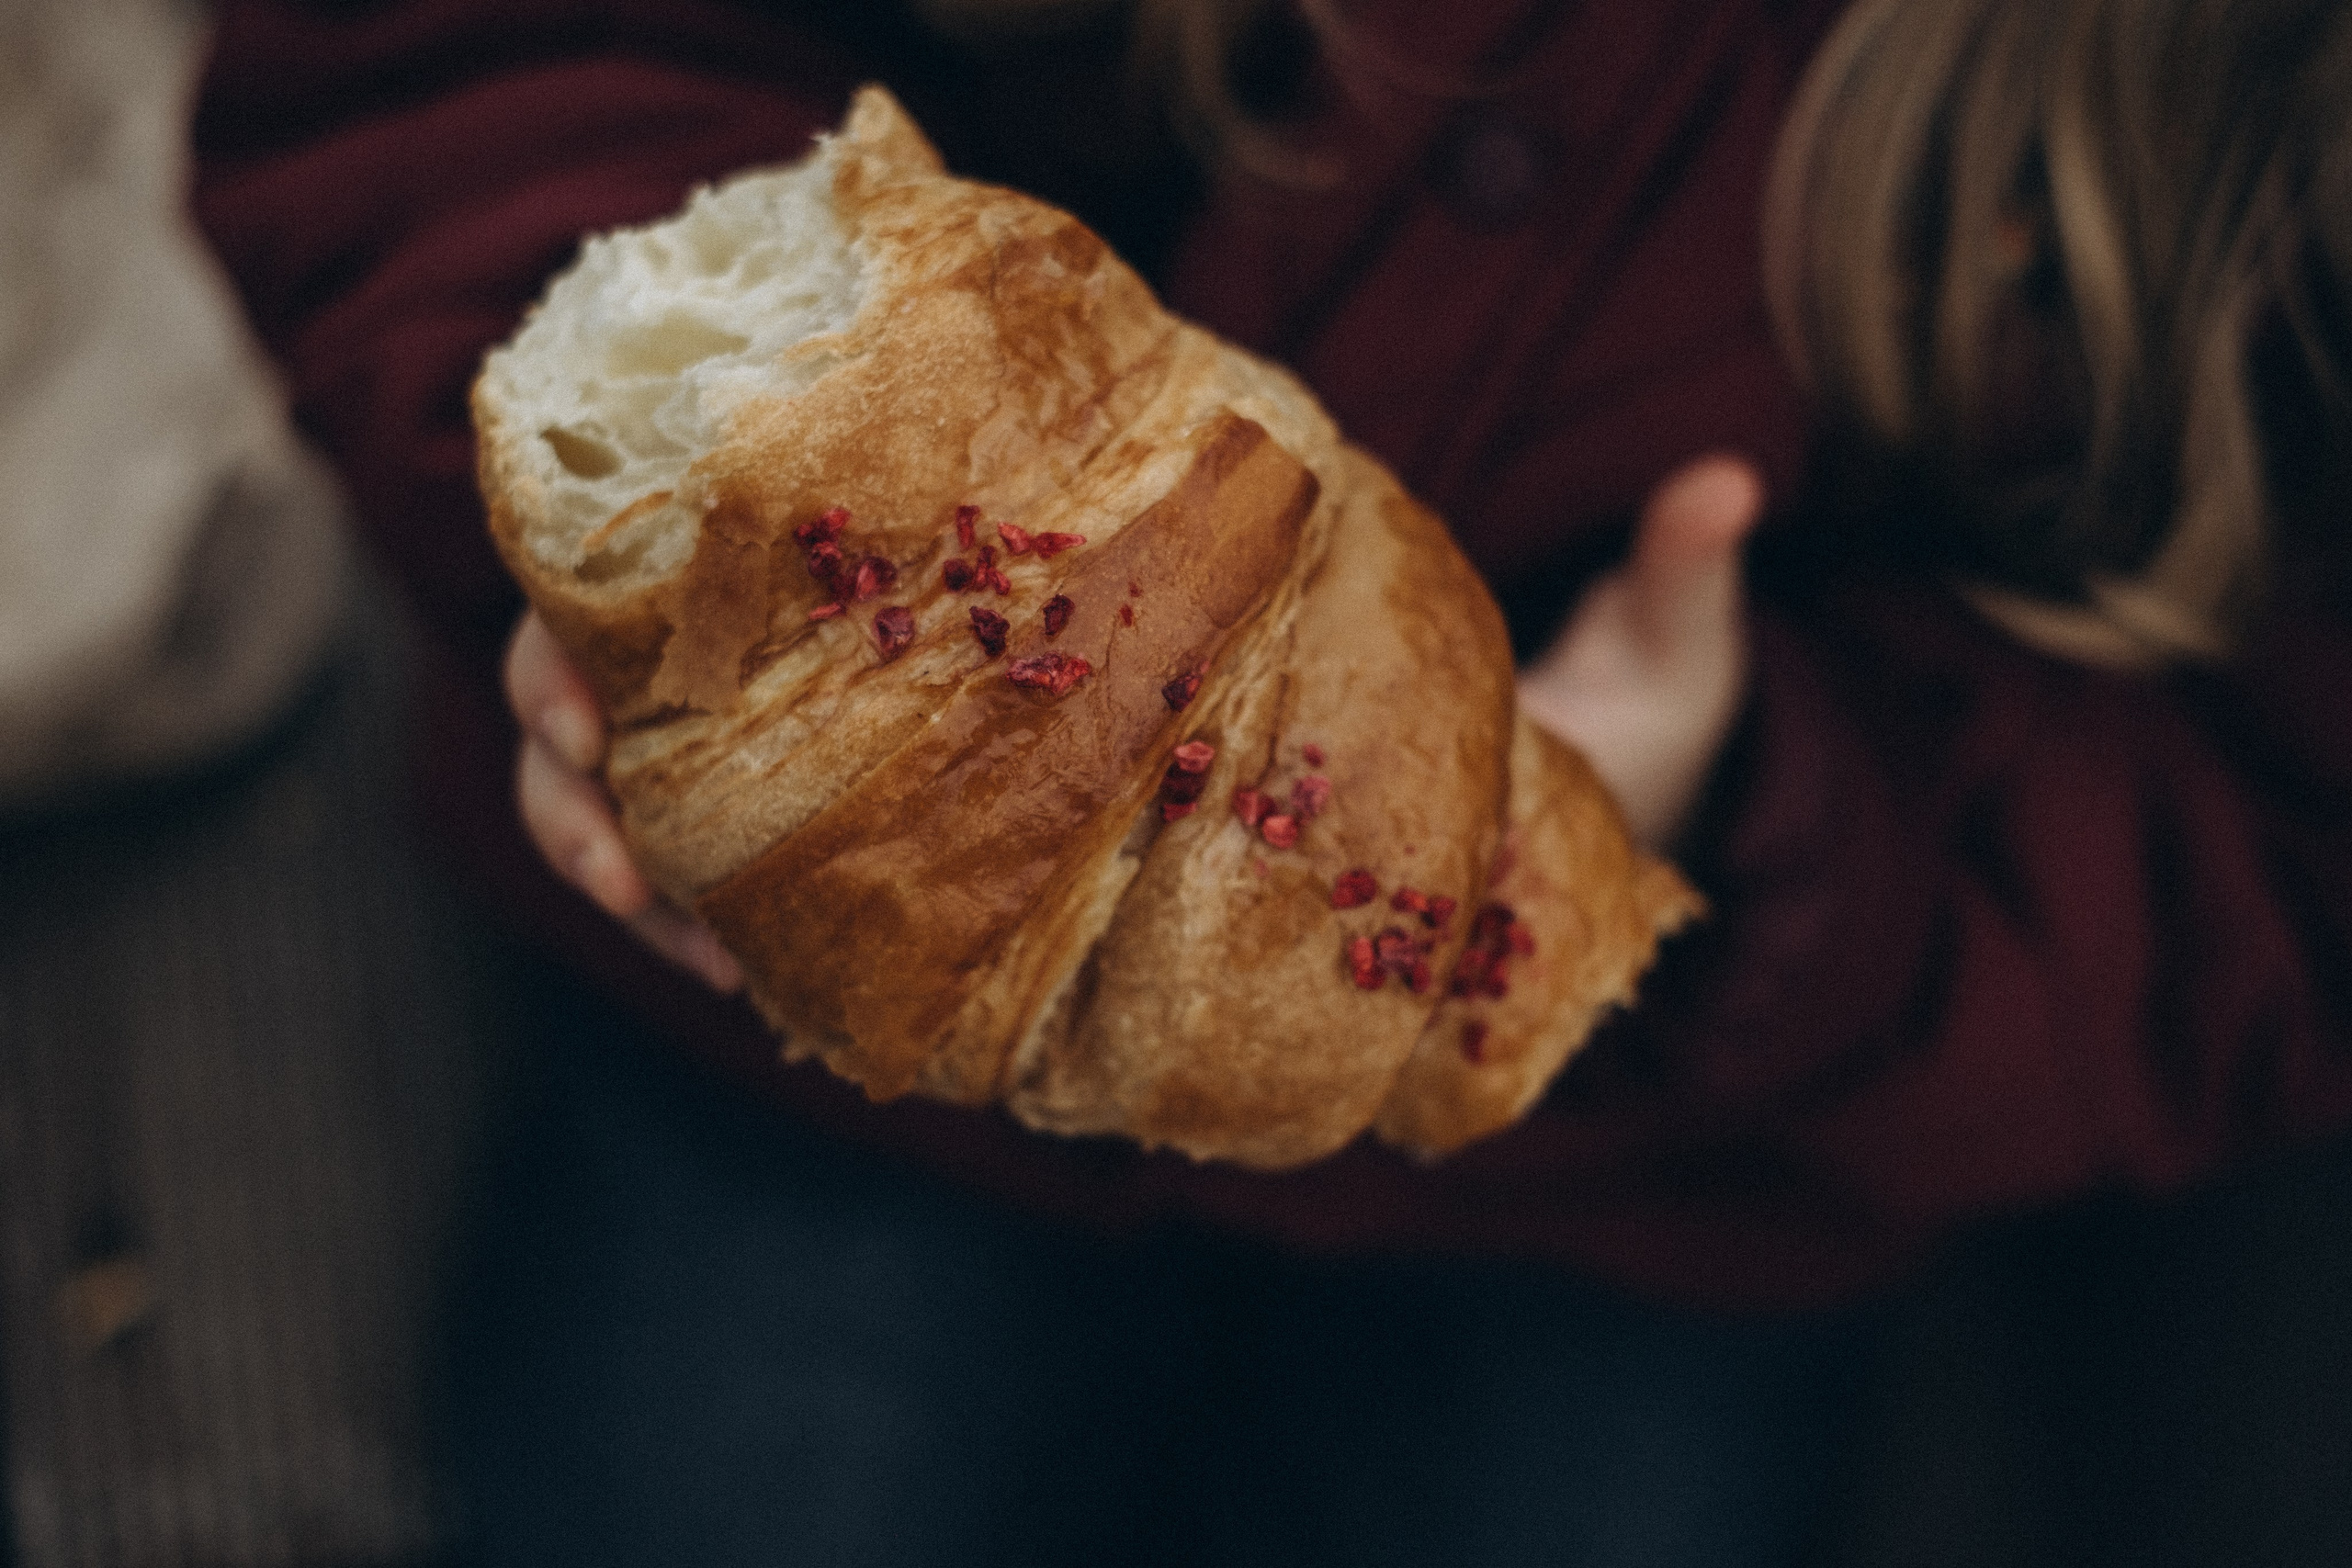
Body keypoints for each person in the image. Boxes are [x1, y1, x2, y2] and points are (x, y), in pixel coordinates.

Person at [191, 0, 2352, 1560]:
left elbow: (2277, 853)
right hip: (809, 1063)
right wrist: (684, 508)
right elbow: (438, 62)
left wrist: (1756, 846)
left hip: (1653, 1181)